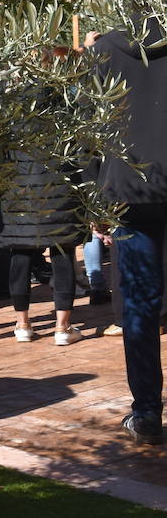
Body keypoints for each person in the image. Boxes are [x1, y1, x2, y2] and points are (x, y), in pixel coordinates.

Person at [91, 22, 167, 445]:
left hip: (127, 189)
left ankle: (146, 412)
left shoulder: (105, 50)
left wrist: (94, 194)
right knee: (139, 303)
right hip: (130, 192)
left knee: (139, 305)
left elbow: (84, 129)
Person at [1, 151, 85, 345]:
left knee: (20, 253)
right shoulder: (66, 119)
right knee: (62, 253)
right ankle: (62, 327)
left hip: (20, 192)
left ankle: (22, 325)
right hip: (60, 192)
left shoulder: (11, 121)